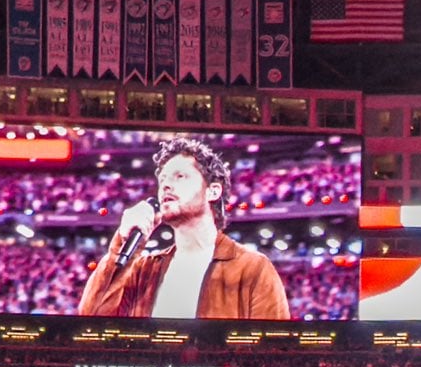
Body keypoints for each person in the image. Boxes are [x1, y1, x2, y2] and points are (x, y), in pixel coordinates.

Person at [71, 137, 294, 320]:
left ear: (213, 191)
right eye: (163, 179)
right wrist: (122, 242)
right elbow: (92, 318)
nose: (166, 185)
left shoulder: (252, 269)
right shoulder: (144, 269)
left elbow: (270, 352)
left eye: (180, 176)